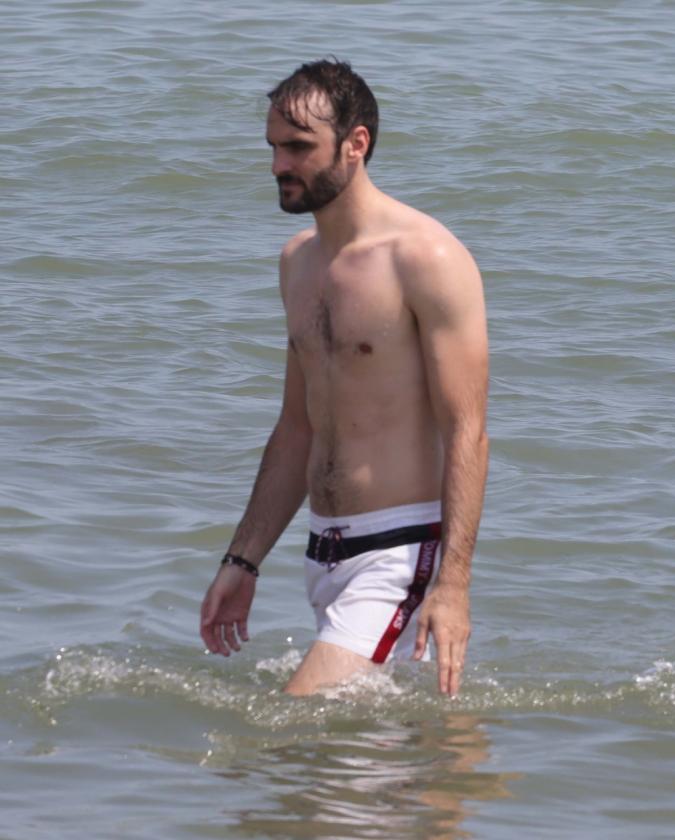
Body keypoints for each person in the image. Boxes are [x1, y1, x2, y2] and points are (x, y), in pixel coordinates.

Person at [198, 59, 489, 697]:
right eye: (273, 147)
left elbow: (467, 430)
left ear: (356, 144)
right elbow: (296, 428)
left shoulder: (426, 258)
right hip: (325, 552)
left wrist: (453, 585)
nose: (278, 165)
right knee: (359, 752)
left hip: (400, 554)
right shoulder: (297, 263)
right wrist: (243, 560)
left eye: (299, 147)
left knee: (290, 723)